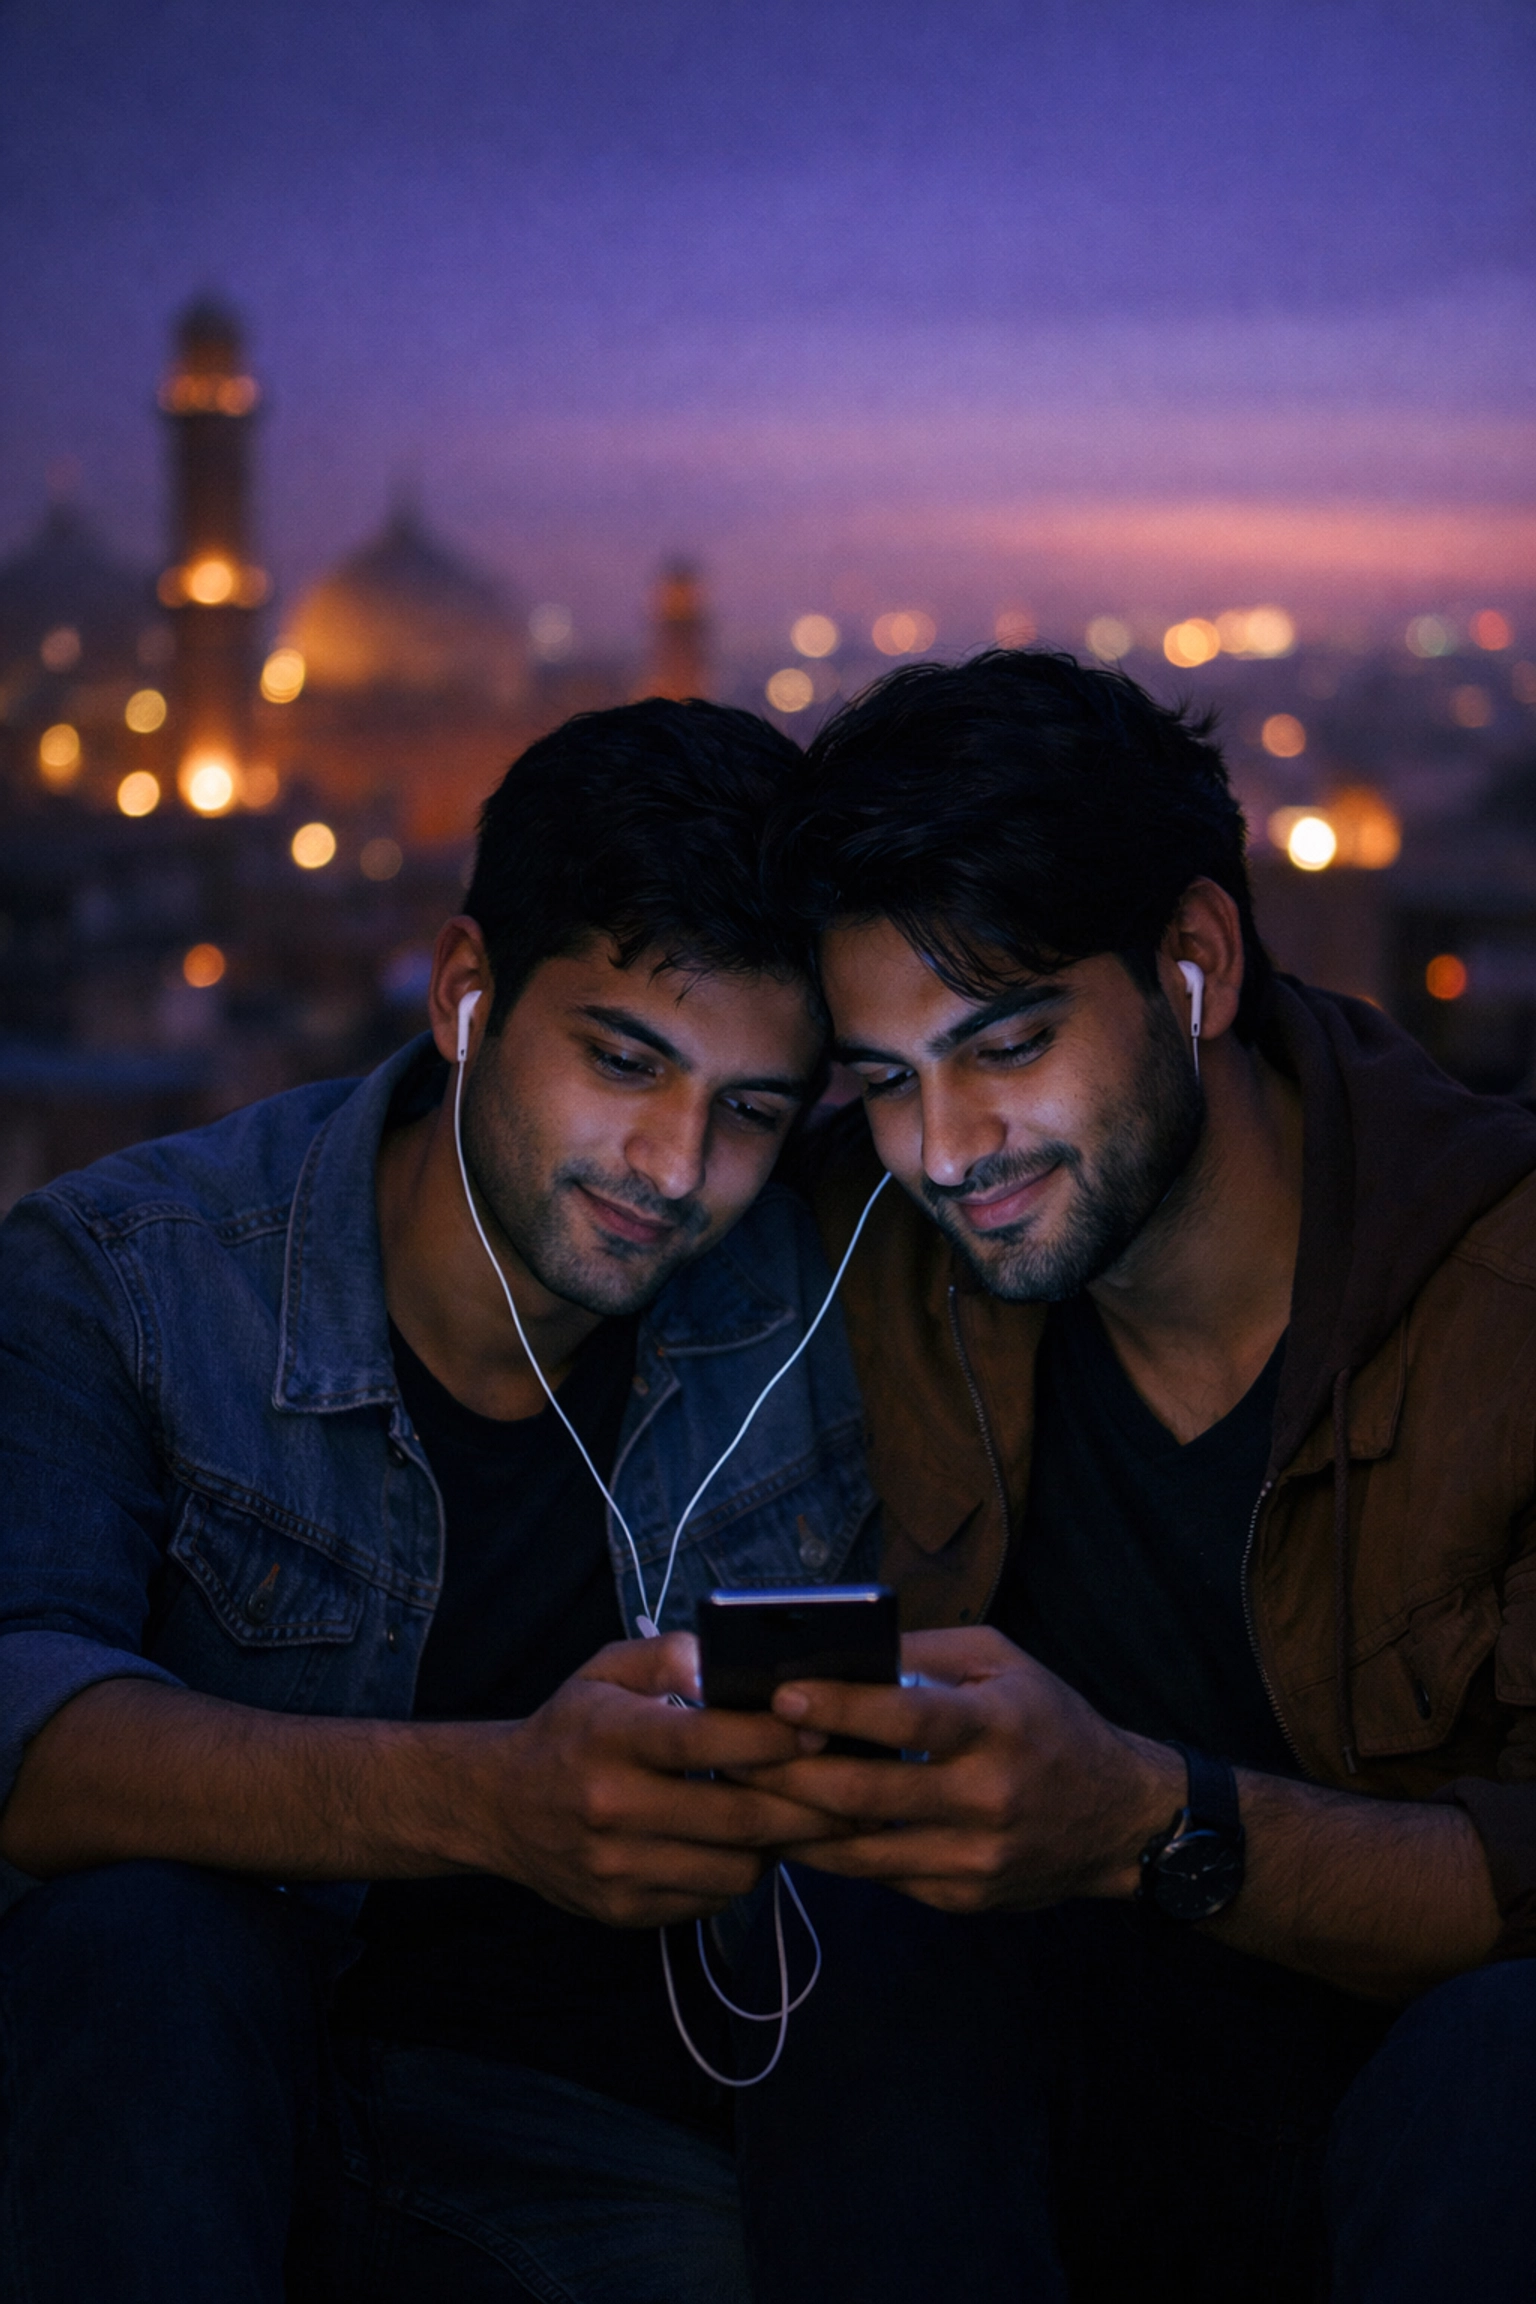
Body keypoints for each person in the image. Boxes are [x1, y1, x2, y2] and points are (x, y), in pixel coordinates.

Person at [0, 699, 873, 2304]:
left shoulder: (811, 1311)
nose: (674, 1168)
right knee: (141, 1947)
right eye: (624, 1060)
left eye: (750, 1109)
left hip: (582, 2128)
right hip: (170, 2081)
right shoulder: (127, 1277)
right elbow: (26, 1734)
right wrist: (495, 1804)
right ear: (468, 992)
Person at [731, 648, 1536, 2303]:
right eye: (887, 1081)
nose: (947, 1150)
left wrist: (1147, 1824)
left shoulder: (1500, 1304)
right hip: (1045, 2143)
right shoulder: (856, 1248)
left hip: (1428, 2160)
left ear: (1196, 962)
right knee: (844, 1937)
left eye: (1007, 1044)